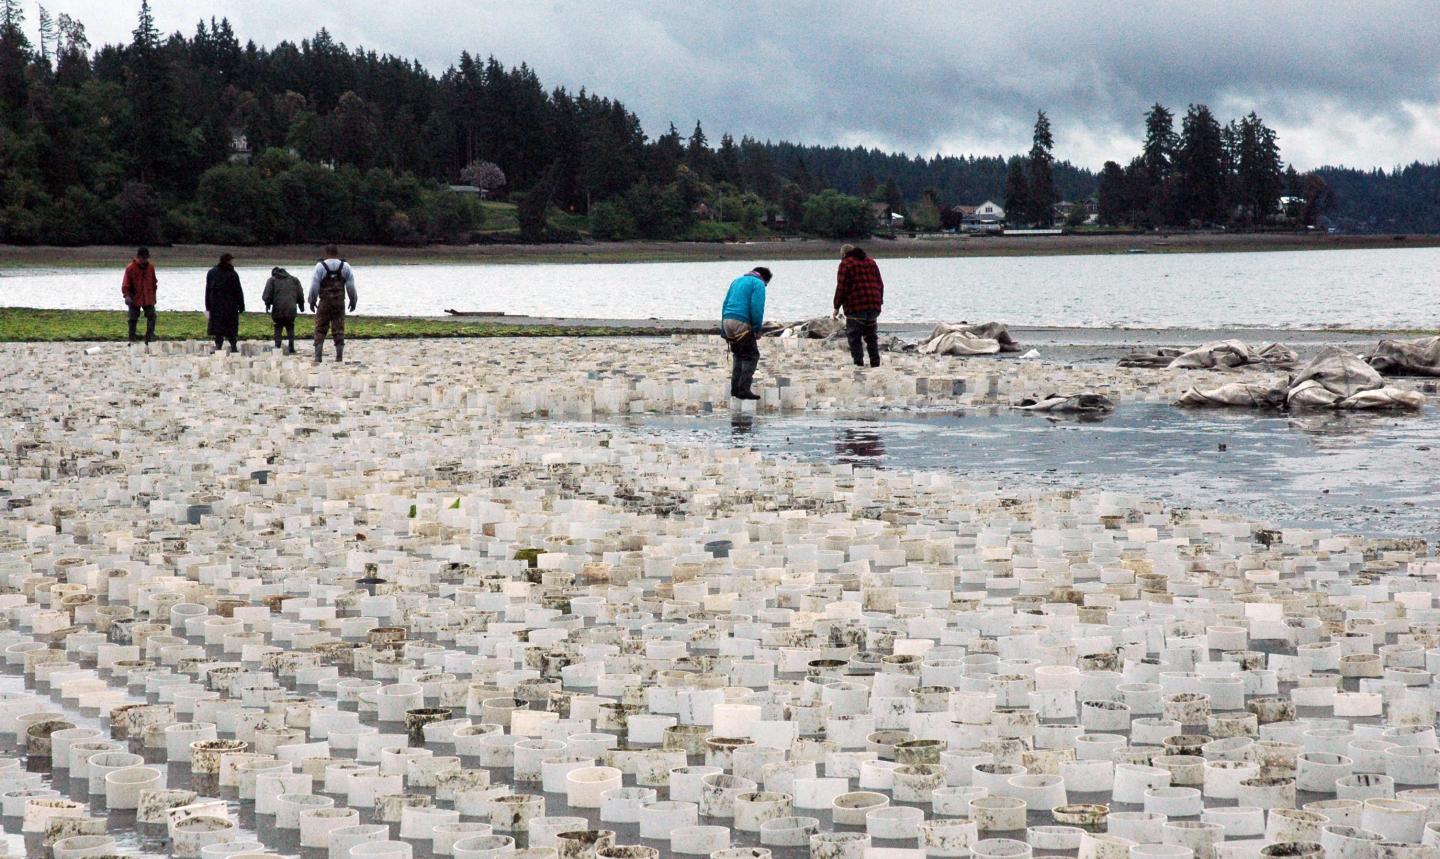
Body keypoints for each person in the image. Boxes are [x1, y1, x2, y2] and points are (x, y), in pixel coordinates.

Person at [720, 266, 771, 401]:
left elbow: (725, 304)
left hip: (727, 320)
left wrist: (723, 329)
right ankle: (744, 389)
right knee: (751, 355)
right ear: (765, 279)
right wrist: (756, 329)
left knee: (738, 355)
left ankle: (735, 389)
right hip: (741, 322)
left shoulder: (737, 281)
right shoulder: (758, 284)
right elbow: (756, 307)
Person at [832, 244, 885, 367]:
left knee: (854, 337)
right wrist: (879, 301)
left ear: (844, 254)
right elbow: (880, 284)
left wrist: (836, 307)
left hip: (856, 306)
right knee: (871, 337)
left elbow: (842, 287)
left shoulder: (846, 264)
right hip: (874, 305)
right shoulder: (871, 262)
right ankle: (875, 364)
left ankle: (858, 365)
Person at [309, 244, 357, 363]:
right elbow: (351, 286)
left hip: (324, 303)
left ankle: (318, 357)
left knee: (320, 329)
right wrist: (353, 300)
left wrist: (312, 300)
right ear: (337, 253)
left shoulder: (320, 267)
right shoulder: (345, 266)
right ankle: (339, 357)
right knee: (339, 329)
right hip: (339, 303)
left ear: (326, 253)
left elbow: (314, 286)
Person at [205, 252, 245, 353]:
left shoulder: (211, 273)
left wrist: (207, 305)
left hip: (216, 305)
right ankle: (233, 347)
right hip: (230, 306)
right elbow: (238, 291)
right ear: (228, 261)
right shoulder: (232, 274)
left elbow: (208, 290)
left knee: (218, 329)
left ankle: (218, 348)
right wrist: (241, 305)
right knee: (231, 328)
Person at [262, 266, 306, 354]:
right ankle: (291, 346)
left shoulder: (272, 280)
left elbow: (267, 295)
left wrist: (268, 304)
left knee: (278, 326)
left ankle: (277, 346)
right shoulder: (294, 280)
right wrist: (301, 304)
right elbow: (300, 293)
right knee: (290, 325)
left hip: (278, 308)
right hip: (291, 308)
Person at [121, 247, 158, 344]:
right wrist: (127, 296)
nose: (144, 260)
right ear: (138, 257)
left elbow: (154, 282)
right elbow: (125, 284)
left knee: (152, 316)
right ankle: (132, 338)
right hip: (134, 297)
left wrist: (154, 296)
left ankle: (149, 336)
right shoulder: (130, 268)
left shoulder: (151, 268)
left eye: (146, 258)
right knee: (133, 318)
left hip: (148, 297)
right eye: (143, 258)